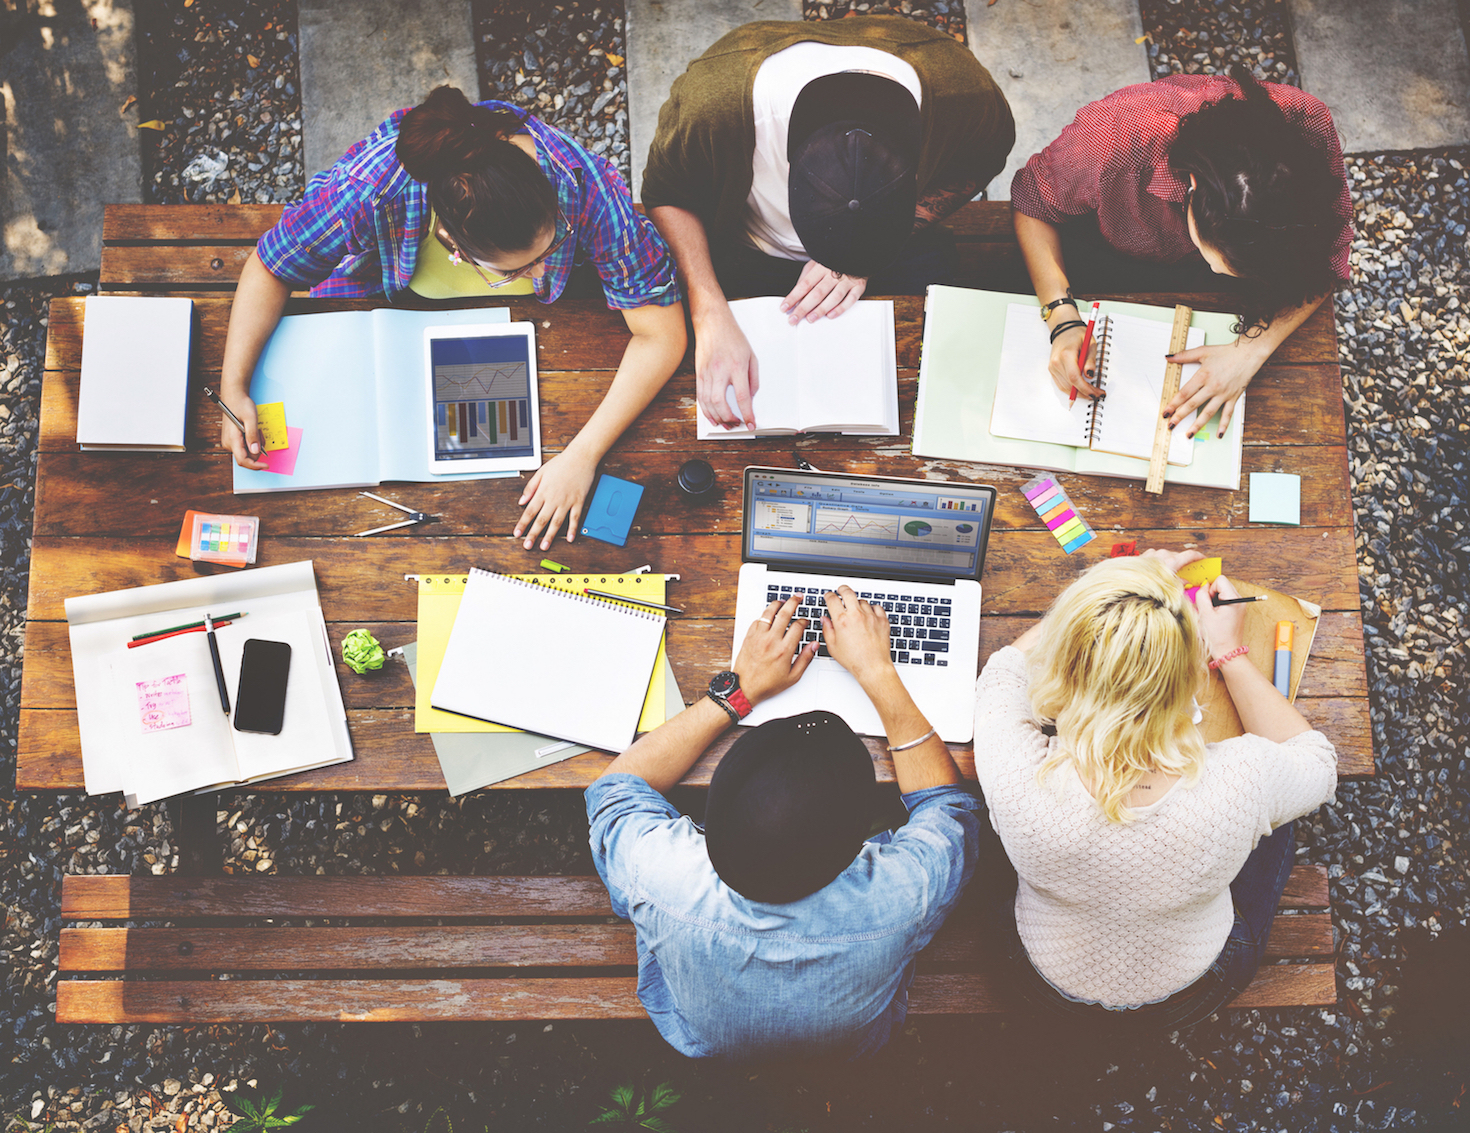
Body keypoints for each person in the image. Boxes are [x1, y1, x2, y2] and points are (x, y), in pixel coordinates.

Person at [216, 86, 685, 552]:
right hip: (375, 301)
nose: (545, 270)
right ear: (452, 244)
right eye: (517, 269)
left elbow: (662, 334)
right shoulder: (370, 189)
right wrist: (233, 386)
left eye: (556, 241)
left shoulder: (584, 186)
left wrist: (582, 456)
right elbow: (273, 265)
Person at [586, 587, 984, 1057]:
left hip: (700, 1035)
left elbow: (615, 790)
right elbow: (949, 809)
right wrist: (877, 670)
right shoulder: (900, 896)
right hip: (849, 1042)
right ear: (861, 842)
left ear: (711, 817)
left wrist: (738, 693)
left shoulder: (660, 873)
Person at [972, 551, 1338, 1028]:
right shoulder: (1243, 778)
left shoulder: (1017, 769)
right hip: (1193, 989)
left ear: (1063, 663)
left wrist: (1110, 592)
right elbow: (1317, 762)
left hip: (1036, 981)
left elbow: (1002, 672)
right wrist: (1230, 651)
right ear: (1191, 675)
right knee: (1281, 823)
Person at [641, 17, 1014, 430]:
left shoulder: (967, 98)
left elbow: (979, 163)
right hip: (749, 244)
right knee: (703, 365)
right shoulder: (713, 110)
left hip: (886, 252)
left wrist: (865, 258)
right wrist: (708, 311)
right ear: (787, 158)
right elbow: (666, 195)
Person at [1010, 68, 1352, 438]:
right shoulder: (1112, 137)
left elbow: (1329, 260)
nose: (1217, 273)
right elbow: (1032, 201)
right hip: (1104, 250)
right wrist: (1060, 316)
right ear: (1192, 186)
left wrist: (1250, 351)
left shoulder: (1307, 128)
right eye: (1215, 258)